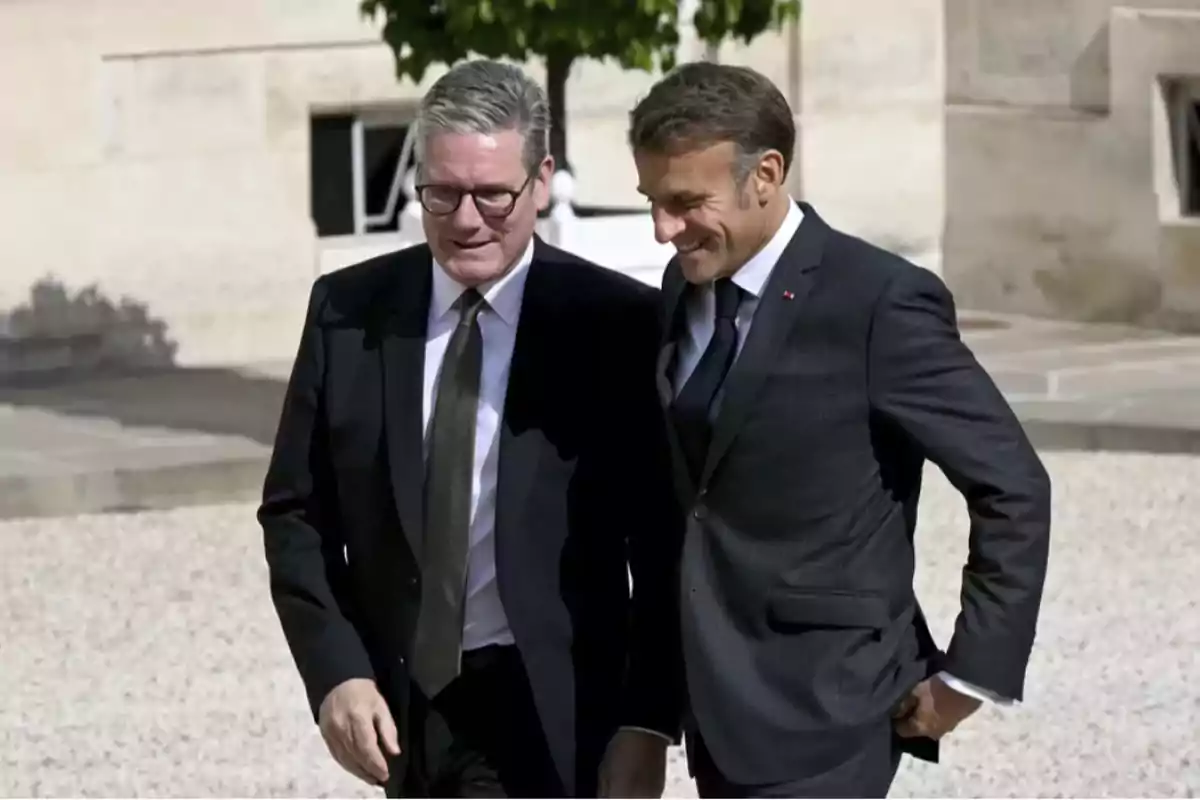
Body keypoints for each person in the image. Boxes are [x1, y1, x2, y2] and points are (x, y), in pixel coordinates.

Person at [626, 61, 1053, 798]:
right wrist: (652, 713)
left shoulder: (880, 303)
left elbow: (1012, 484)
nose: (664, 229)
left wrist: (971, 673)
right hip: (715, 706)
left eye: (685, 202)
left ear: (766, 173)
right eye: (653, 202)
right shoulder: (684, 287)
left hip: (828, 711)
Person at [259, 59, 683, 798]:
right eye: (441, 194)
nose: (464, 220)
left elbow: (660, 542)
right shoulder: (347, 311)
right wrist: (336, 672)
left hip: (556, 706)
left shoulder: (613, 326)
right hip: (404, 706)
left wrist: (646, 722)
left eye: (493, 195)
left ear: (542, 179)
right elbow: (296, 514)